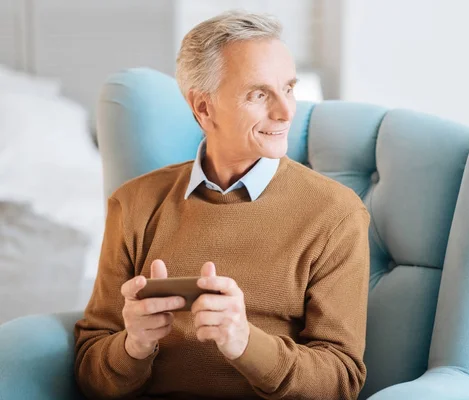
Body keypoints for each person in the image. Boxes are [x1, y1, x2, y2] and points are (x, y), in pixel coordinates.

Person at [74, 10, 370, 400]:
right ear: (203, 108)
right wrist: (132, 347)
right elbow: (90, 370)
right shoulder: (134, 204)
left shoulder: (336, 213)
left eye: (290, 88)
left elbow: (341, 381)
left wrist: (247, 343)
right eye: (260, 94)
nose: (285, 112)